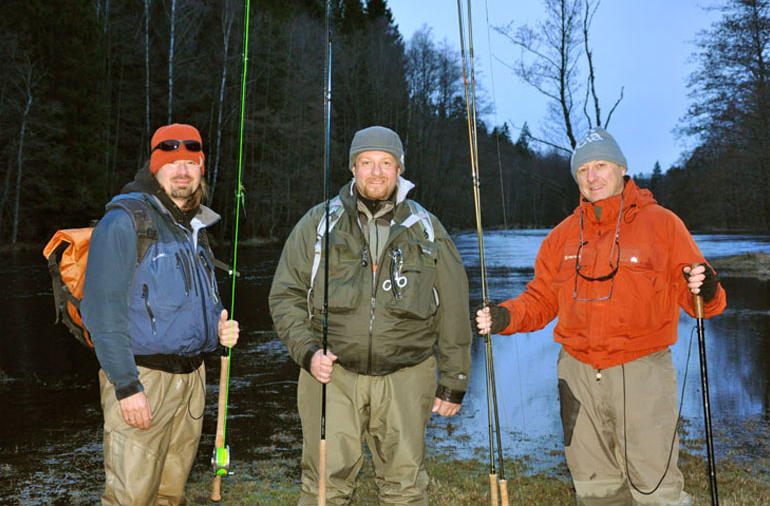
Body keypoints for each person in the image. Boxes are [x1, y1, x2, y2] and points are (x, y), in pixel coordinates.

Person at [476, 127, 726, 506]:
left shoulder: (662, 224)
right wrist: (505, 317)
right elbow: (541, 300)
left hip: (642, 370)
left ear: (621, 169)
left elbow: (704, 301)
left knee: (655, 488)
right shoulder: (560, 237)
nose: (592, 177)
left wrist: (706, 287)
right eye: (583, 170)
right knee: (595, 489)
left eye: (601, 165)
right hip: (576, 374)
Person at [269, 125, 472, 505]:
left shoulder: (427, 228)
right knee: (324, 486)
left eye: (385, 163)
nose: (376, 172)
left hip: (407, 378)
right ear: (352, 168)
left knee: (405, 486)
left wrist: (455, 377)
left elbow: (455, 308)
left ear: (399, 170)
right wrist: (308, 352)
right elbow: (286, 296)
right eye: (366, 162)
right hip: (332, 376)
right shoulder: (317, 224)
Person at [82, 123, 240, 505]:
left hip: (192, 381)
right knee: (130, 497)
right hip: (143, 380)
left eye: (191, 162)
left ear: (202, 169)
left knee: (171, 492)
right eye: (172, 163)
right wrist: (126, 386)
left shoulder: (195, 226)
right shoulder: (124, 221)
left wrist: (219, 323)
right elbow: (101, 312)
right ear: (155, 168)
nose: (182, 171)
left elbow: (194, 296)